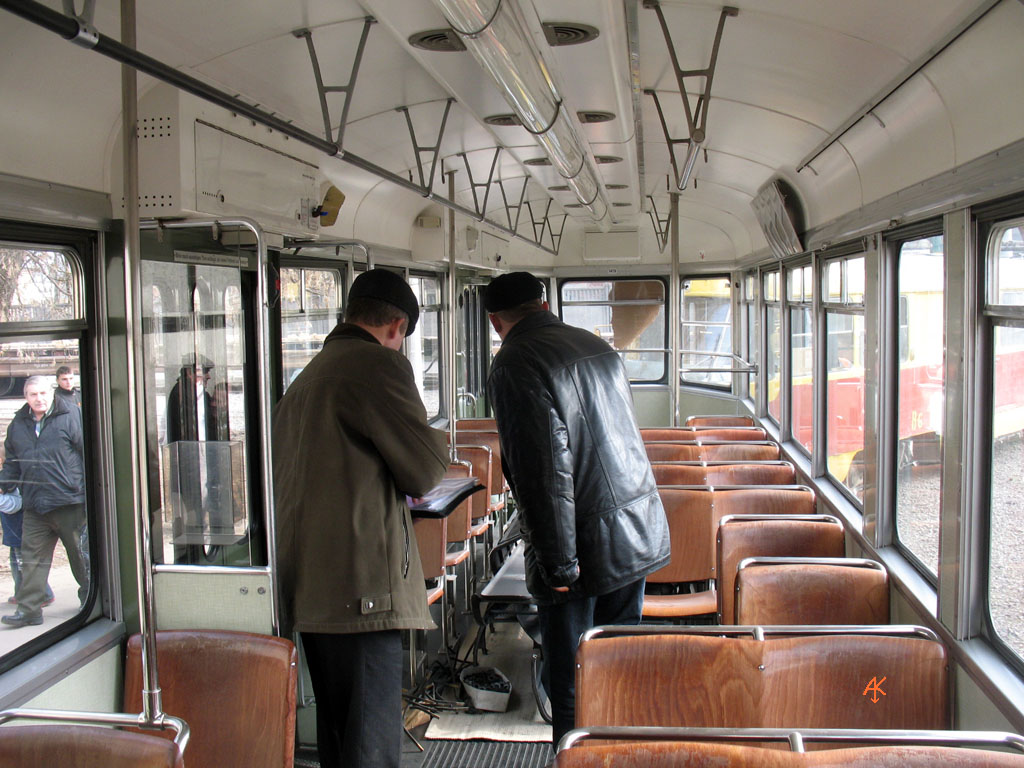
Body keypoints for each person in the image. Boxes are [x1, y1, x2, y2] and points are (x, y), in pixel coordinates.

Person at [483, 271, 671, 747]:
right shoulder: (596, 346)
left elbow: (544, 472)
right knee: (617, 668)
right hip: (634, 530)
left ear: (495, 322)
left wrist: (558, 564)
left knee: (571, 684)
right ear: (544, 305)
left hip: (580, 545)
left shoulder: (515, 363)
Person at [272, 269, 448, 768]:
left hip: (309, 591)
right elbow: (425, 472)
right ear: (396, 326)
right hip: (362, 593)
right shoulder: (376, 367)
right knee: (370, 749)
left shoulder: (306, 379)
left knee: (338, 742)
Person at [0, 376, 89, 628]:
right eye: (32, 394)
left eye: (42, 393)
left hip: (69, 502)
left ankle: (91, 600)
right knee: (31, 558)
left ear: (51, 394)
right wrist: (3, 484)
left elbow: (89, 454)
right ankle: (29, 610)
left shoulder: (71, 416)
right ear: (25, 397)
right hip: (35, 504)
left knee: (81, 558)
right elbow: (13, 463)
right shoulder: (18, 425)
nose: (38, 399)